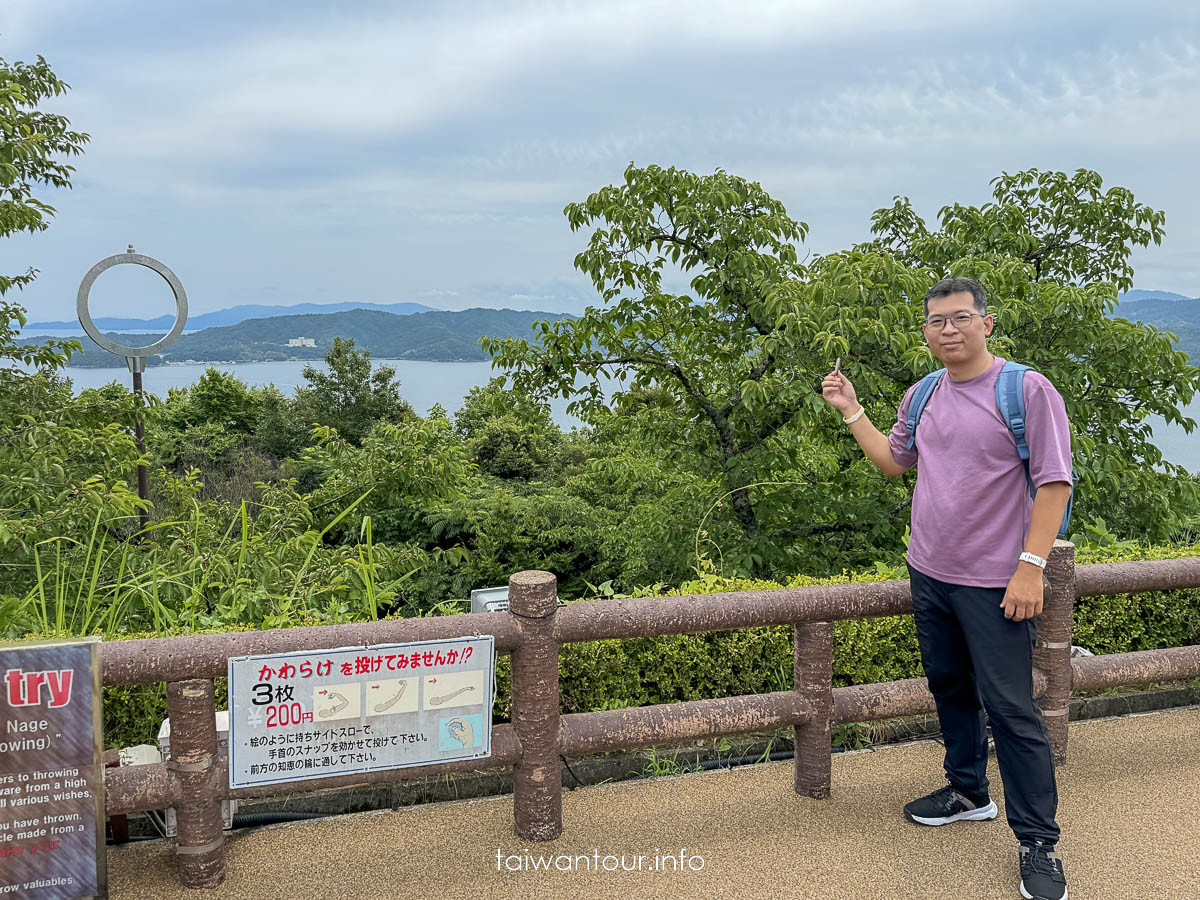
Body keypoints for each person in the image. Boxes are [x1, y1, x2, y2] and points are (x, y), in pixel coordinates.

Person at [821, 276, 1073, 900]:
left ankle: (1038, 841)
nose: (948, 330)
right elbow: (893, 462)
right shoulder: (925, 392)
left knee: (1013, 709)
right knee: (949, 685)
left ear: (986, 323)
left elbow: (1054, 483)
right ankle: (967, 791)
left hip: (997, 581)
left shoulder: (1027, 390)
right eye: (936, 322)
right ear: (927, 333)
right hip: (930, 570)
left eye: (960, 318)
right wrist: (852, 410)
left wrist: (1031, 566)